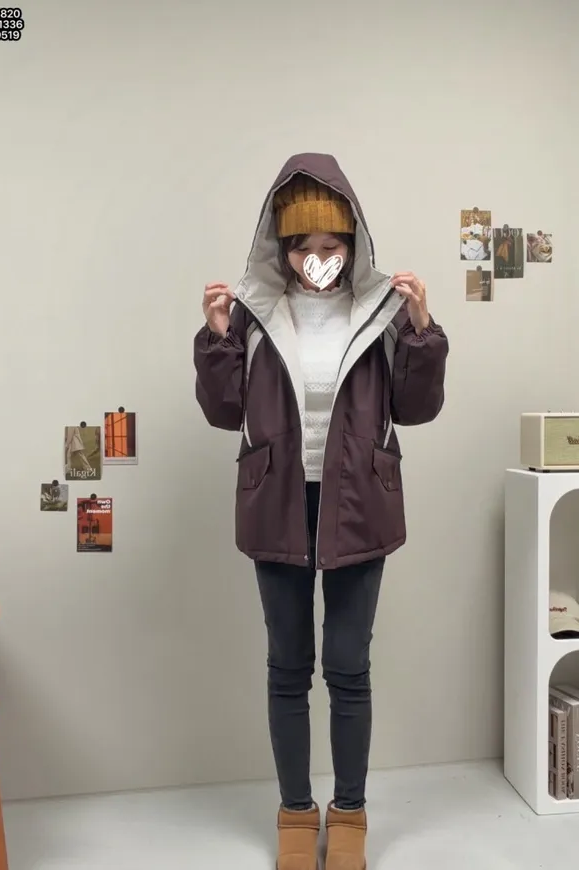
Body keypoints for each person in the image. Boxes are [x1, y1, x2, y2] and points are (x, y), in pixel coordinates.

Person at [193, 153, 448, 870]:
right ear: (283, 248)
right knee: (288, 666)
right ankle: (297, 816)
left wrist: (422, 328)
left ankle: (352, 815)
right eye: (304, 245)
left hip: (359, 501)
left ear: (352, 245)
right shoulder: (252, 314)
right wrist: (217, 338)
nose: (318, 258)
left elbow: (417, 408)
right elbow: (223, 411)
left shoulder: (383, 313)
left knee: (347, 667)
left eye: (332, 244)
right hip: (276, 499)